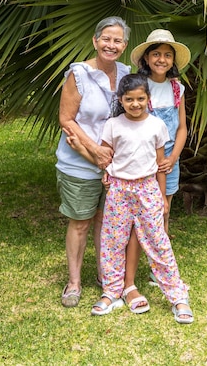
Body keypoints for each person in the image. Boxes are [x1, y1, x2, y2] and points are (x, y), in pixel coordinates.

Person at [80, 74, 193, 323]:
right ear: (121, 100)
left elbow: (161, 165)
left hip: (147, 189)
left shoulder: (156, 126)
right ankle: (112, 292)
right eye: (129, 99)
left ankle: (177, 296)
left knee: (158, 242)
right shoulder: (112, 125)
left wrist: (162, 197)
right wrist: (106, 174)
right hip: (119, 191)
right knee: (112, 242)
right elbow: (106, 156)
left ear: (148, 99)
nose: (135, 104)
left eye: (140, 98)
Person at [56, 16, 130, 307]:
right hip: (79, 164)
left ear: (124, 45)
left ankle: (104, 274)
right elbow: (66, 119)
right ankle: (74, 281)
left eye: (118, 40)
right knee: (81, 223)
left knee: (104, 220)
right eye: (106, 39)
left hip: (112, 166)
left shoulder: (125, 73)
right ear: (95, 40)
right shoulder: (79, 74)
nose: (111, 45)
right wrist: (94, 151)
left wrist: (108, 158)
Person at [125, 29, 191, 297]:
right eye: (156, 54)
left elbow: (183, 128)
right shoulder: (138, 87)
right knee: (137, 216)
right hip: (141, 161)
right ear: (147, 58)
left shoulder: (178, 88)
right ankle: (128, 270)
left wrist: (173, 157)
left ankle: (159, 269)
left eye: (167, 55)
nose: (161, 59)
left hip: (168, 162)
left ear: (173, 60)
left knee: (163, 212)